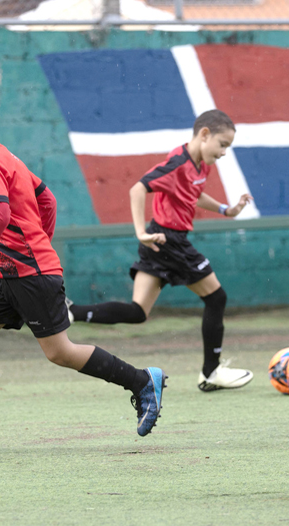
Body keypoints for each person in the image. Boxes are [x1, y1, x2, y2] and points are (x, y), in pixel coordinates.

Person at [0, 90, 166, 454]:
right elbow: (47, 199)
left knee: (60, 352)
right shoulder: (3, 154)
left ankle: (142, 381)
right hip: (8, 274)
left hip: (29, 275)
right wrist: (35, 242)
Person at [68, 110, 254, 392]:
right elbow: (137, 189)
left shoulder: (202, 163)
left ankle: (71, 312)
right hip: (169, 242)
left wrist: (226, 210)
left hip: (162, 243)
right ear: (204, 135)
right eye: (223, 144)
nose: (225, 152)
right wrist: (140, 232)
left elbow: (193, 193)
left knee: (138, 311)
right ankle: (210, 372)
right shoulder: (177, 163)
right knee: (217, 297)